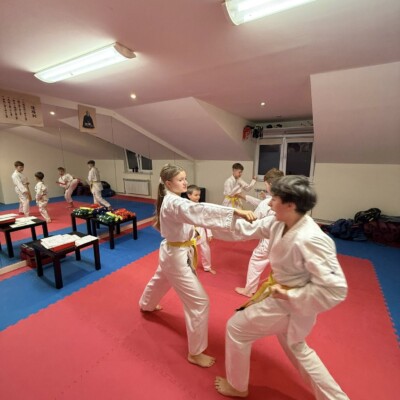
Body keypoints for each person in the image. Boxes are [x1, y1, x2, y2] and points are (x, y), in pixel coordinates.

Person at [214, 175, 349, 399]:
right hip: (285, 299)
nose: (269, 203)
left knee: (236, 329)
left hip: (289, 303)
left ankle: (237, 386)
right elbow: (245, 229)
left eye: (274, 199)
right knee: (297, 347)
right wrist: (208, 221)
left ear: (290, 205)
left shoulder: (312, 239)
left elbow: (336, 289)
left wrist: (290, 294)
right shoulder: (279, 222)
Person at [139, 164, 256, 369]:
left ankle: (146, 304)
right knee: (199, 303)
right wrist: (235, 211)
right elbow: (200, 210)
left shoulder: (173, 199)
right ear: (168, 183)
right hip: (176, 256)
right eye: (180, 180)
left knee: (161, 279)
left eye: (185, 178)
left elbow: (197, 211)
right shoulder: (174, 202)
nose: (185, 182)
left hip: (171, 252)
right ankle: (195, 352)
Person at [235, 168, 284, 297]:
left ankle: (248, 290)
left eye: (266, 184)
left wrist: (240, 221)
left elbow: (254, 220)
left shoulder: (267, 203)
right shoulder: (285, 198)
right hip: (284, 239)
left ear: (270, 184)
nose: (265, 187)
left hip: (269, 240)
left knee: (256, 260)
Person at [187, 184, 216, 274]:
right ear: (189, 195)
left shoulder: (202, 207)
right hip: (190, 232)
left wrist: (209, 233)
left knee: (206, 250)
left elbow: (206, 220)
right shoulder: (186, 207)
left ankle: (207, 267)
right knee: (190, 251)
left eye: (199, 195)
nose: (198, 197)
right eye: (196, 195)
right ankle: (189, 268)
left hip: (200, 230)